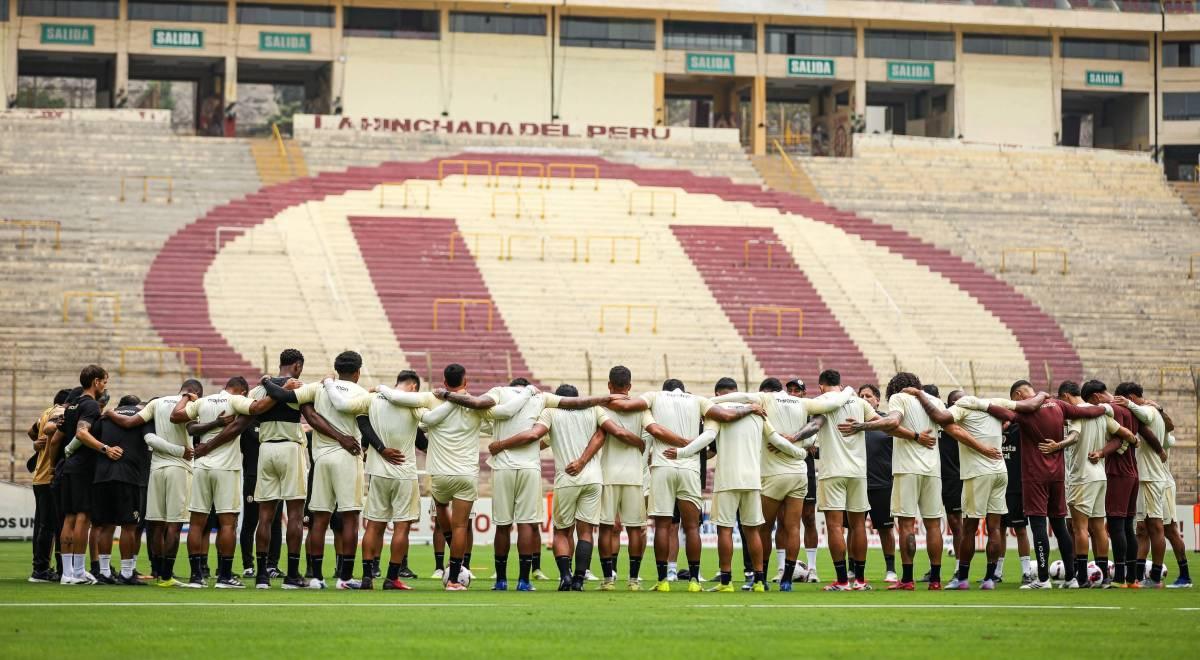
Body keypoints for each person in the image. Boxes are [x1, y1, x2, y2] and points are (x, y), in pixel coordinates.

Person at [435, 377, 615, 591]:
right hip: (533, 468)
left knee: (502, 526)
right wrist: (607, 397)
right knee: (528, 525)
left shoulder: (500, 392)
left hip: (503, 468)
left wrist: (447, 395)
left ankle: (501, 581)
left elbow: (479, 404)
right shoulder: (541, 397)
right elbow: (579, 410)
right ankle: (525, 581)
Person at [604, 377, 765, 593]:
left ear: (665, 390)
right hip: (690, 469)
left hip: (663, 465)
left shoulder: (654, 397)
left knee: (662, 526)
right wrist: (750, 408)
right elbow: (726, 416)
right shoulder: (697, 400)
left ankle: (663, 581)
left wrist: (604, 398)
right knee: (691, 527)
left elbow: (625, 406)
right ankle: (694, 581)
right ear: (683, 390)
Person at [956, 379, 1105, 589]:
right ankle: (1072, 577)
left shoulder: (1025, 413)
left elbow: (1003, 413)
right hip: (1058, 475)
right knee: (1060, 526)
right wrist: (1105, 408)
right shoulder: (1059, 405)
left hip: (1035, 475)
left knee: (1038, 526)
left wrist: (980, 404)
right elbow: (1087, 413)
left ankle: (1043, 579)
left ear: (1017, 396)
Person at [668, 378, 812, 592]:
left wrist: (681, 452)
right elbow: (777, 440)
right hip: (753, 480)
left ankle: (726, 582)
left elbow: (707, 437)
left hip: (727, 479)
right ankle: (760, 581)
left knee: (724, 531)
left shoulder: (716, 411)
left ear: (719, 393)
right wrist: (800, 453)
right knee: (753, 531)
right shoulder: (757, 412)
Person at [493, 384, 641, 591]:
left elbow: (533, 436)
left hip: (567, 478)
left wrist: (501, 445)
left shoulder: (551, 412)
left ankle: (565, 576)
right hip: (592, 478)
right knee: (586, 531)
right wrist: (640, 444)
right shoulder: (594, 410)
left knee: (562, 532)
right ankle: (579, 580)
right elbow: (605, 434)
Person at [712, 376, 854, 590]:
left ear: (766, 392)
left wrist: (707, 402)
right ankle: (787, 579)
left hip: (773, 475)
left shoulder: (765, 399)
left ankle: (761, 578)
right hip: (799, 473)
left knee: (762, 529)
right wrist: (849, 390)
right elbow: (832, 404)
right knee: (793, 527)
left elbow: (738, 396)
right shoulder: (801, 402)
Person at [908, 388, 1039, 590]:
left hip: (978, 473)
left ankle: (962, 579)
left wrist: (920, 395)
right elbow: (1026, 408)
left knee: (969, 527)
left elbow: (939, 416)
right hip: (999, 471)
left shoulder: (962, 407)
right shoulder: (994, 403)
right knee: (995, 528)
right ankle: (989, 579)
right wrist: (1044, 396)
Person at [842, 373, 947, 590]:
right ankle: (935, 579)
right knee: (933, 524)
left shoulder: (900, 398)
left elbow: (892, 422)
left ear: (894, 388)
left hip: (907, 469)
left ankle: (907, 579)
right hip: (933, 470)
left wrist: (860, 426)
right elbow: (950, 424)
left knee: (907, 525)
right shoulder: (934, 401)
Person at [105, 379, 203, 587]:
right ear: (196, 392)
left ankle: (157, 570)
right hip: (179, 467)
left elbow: (130, 423)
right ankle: (167, 576)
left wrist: (110, 413)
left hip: (156, 469)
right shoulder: (191, 404)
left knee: (156, 525)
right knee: (174, 525)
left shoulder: (156, 403)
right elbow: (195, 430)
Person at [1057, 381, 1136, 588]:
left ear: (1065, 396)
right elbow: (1126, 435)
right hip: (1100, 476)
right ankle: (1104, 578)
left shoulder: (1076, 413)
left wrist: (1058, 445)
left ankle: (1082, 578)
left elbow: (1073, 437)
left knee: (1079, 528)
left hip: (1081, 477)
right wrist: (1102, 452)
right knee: (1099, 528)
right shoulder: (1101, 414)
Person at [176, 377, 251, 588]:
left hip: (201, 467)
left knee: (197, 522)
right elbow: (253, 410)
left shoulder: (202, 402)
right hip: (226, 467)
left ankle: (196, 576)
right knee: (228, 522)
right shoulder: (237, 401)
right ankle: (225, 576)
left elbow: (186, 424)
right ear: (242, 391)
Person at [596, 366, 654, 591]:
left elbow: (598, 438)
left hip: (608, 474)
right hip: (634, 476)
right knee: (635, 528)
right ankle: (633, 579)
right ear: (629, 386)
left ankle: (608, 579)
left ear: (609, 385)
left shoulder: (601, 408)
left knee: (607, 528)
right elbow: (655, 430)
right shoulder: (641, 410)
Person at [48, 367, 108, 585]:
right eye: (104, 381)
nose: (105, 386)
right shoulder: (91, 405)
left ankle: (67, 573)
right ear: (95, 381)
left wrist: (54, 466)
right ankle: (80, 572)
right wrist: (105, 448)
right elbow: (82, 433)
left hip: (68, 467)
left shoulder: (72, 405)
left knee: (69, 517)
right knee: (83, 517)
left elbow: (55, 439)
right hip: (84, 467)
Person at [1112, 383, 1173, 588]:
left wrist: (1128, 403)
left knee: (1155, 527)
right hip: (1146, 475)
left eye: (1122, 400)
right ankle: (1138, 575)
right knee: (1142, 528)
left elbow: (1145, 422)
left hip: (1150, 477)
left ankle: (1155, 577)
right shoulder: (1150, 410)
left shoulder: (1147, 410)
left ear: (1128, 397)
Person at [88, 394, 151, 586]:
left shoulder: (106, 417)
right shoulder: (143, 416)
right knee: (129, 527)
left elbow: (89, 437)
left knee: (106, 525)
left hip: (103, 476)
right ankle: (126, 572)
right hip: (129, 477)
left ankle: (105, 573)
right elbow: (150, 440)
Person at [28, 389, 69, 583]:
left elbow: (31, 432)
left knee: (43, 525)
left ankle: (41, 568)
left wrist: (38, 443)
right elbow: (50, 429)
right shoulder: (59, 412)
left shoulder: (45, 413)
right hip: (48, 476)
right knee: (51, 526)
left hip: (39, 476)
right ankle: (41, 571)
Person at [858, 384, 898, 584]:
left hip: (882, 484)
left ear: (877, 400)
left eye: (869, 396)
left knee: (885, 529)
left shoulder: (887, 422)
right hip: (856, 484)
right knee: (855, 528)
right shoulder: (851, 422)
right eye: (861, 395)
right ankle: (853, 570)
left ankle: (891, 570)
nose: (865, 398)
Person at [787, 378, 821, 582]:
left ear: (803, 393)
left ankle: (813, 568)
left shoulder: (811, 416)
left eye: (797, 390)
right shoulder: (778, 412)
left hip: (805, 469)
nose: (793, 393)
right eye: (789, 390)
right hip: (781, 469)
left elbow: (818, 450)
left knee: (808, 518)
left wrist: (815, 449)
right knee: (784, 521)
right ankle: (783, 568)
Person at [997, 420, 1032, 584]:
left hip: (1016, 487)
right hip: (996, 487)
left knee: (1020, 529)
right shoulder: (990, 426)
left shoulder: (1019, 428)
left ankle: (1026, 572)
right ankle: (996, 572)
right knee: (997, 530)